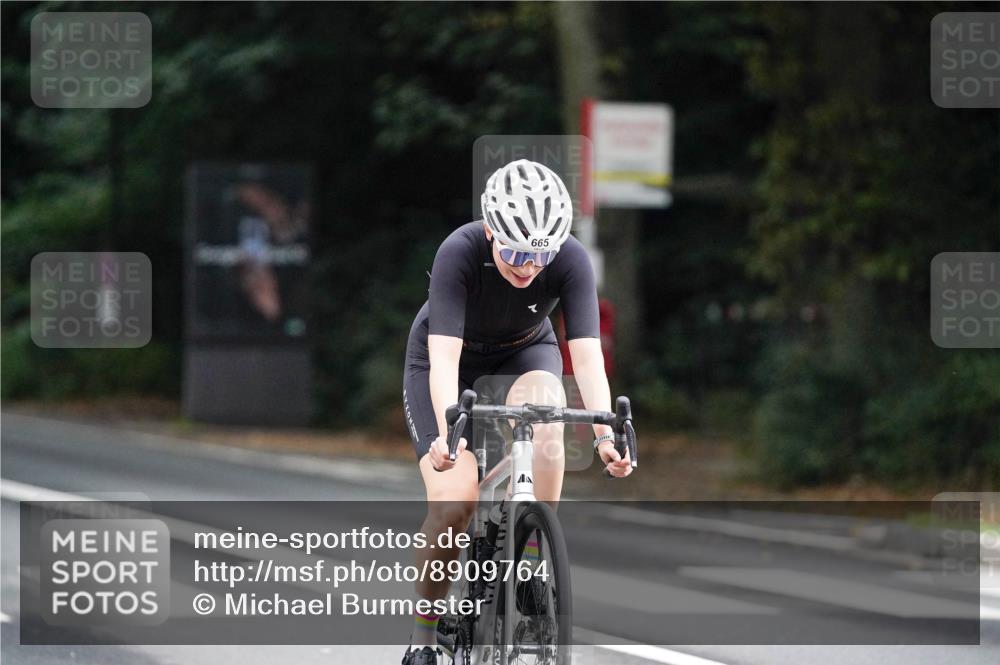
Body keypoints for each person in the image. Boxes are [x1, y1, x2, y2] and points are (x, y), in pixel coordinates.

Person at [400, 159, 632, 664]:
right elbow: (444, 361)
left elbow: (586, 358)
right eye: (514, 252)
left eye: (540, 255)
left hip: (525, 352)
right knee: (454, 503)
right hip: (448, 362)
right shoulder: (459, 251)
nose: (528, 266)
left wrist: (604, 436)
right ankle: (423, 638)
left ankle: (528, 557)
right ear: (490, 230)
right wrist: (447, 435)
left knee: (547, 419)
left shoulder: (569, 259)